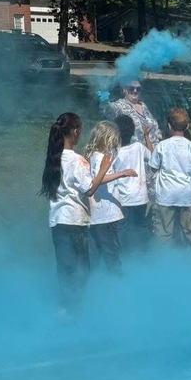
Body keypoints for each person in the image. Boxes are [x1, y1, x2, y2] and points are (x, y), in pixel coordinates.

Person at [39, 113, 134, 311]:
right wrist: (104, 169)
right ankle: (80, 309)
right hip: (75, 221)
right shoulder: (77, 160)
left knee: (65, 268)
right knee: (82, 269)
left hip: (57, 221)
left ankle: (67, 307)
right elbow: (89, 189)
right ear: (75, 132)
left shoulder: (53, 157)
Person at [148, 107, 191, 247]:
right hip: (186, 194)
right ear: (187, 126)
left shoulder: (162, 146)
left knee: (164, 231)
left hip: (166, 194)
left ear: (169, 126)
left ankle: (164, 257)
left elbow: (153, 167)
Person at [84, 120, 137, 273]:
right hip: (105, 215)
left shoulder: (93, 155)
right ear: (106, 139)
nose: (115, 143)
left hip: (99, 215)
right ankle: (115, 278)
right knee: (110, 251)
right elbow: (98, 179)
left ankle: (95, 278)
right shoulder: (101, 157)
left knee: (97, 251)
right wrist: (122, 173)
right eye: (114, 139)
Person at [112, 113, 153, 252]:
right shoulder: (139, 147)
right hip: (140, 197)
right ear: (132, 131)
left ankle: (124, 254)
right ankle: (143, 254)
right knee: (140, 226)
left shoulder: (114, 152)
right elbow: (151, 156)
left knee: (122, 228)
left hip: (123, 198)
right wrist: (146, 137)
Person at [104, 79, 161, 147]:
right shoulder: (120, 105)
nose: (135, 91)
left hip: (153, 150)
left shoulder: (144, 105)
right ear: (124, 89)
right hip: (132, 151)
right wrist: (104, 103)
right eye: (131, 88)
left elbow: (155, 126)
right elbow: (110, 111)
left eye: (138, 89)